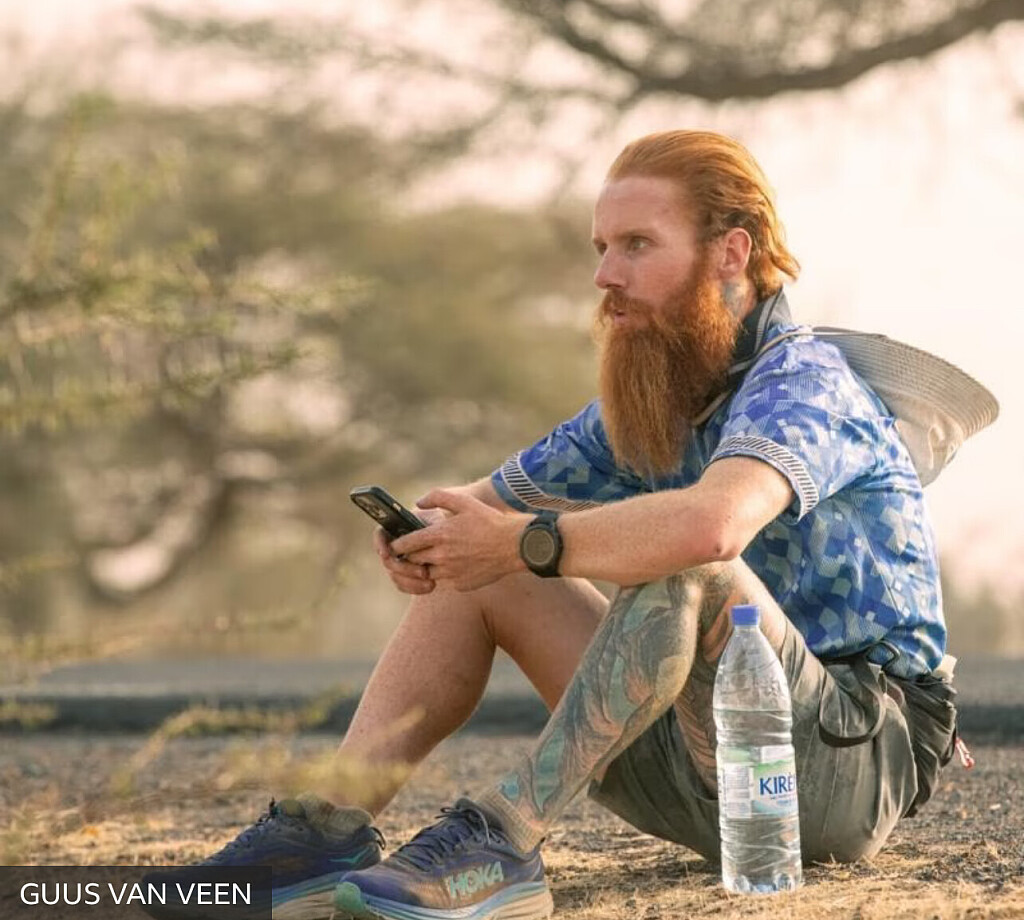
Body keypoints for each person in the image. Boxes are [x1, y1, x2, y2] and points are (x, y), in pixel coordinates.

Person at [162, 130, 955, 920]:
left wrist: (524, 543)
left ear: (730, 253)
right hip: (700, 767)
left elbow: (713, 529)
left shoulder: (808, 384)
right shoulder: (655, 398)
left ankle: (504, 842)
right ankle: (325, 836)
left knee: (681, 558)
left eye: (637, 245)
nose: (606, 275)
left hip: (844, 762)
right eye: (603, 248)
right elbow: (482, 508)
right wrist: (429, 537)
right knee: (478, 554)